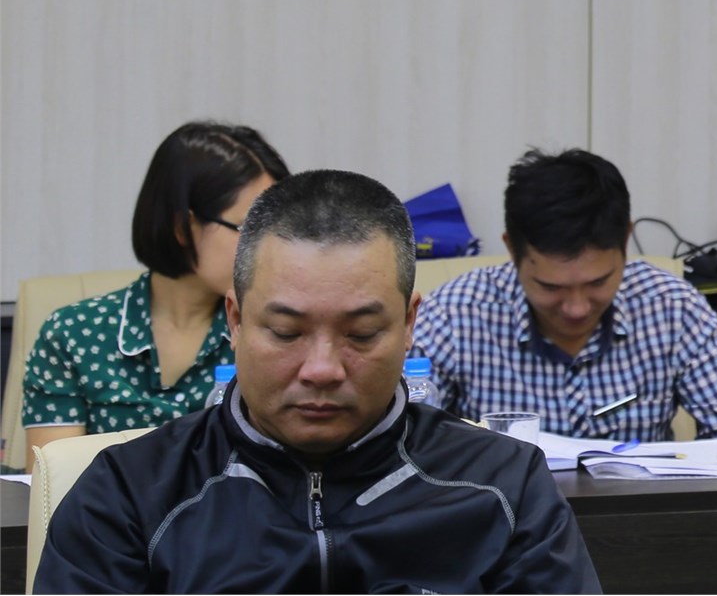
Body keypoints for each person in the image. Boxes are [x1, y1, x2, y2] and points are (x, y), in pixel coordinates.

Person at [34, 169, 602, 594]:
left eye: (361, 334)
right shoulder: (129, 494)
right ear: (236, 320)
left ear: (409, 324)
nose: (323, 369)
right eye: (286, 333)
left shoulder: (505, 485)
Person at [411, 148, 717, 441]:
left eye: (598, 282)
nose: (576, 308)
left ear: (626, 240)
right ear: (512, 249)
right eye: (551, 287)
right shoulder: (454, 315)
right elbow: (404, 439)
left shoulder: (673, 309)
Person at [20, 121, 288, 468]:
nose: (267, 247)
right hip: (104, 506)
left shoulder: (272, 332)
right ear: (182, 226)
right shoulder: (74, 335)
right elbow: (54, 482)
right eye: (248, 228)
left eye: (274, 229)